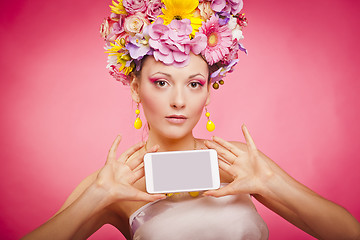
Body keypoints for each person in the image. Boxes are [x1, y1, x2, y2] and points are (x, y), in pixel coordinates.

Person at [22, 0, 360, 239]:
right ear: (136, 88)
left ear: (208, 92)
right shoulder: (114, 182)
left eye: (194, 84)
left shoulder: (237, 162)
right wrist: (98, 196)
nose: (179, 101)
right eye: (161, 82)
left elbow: (348, 232)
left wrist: (270, 181)